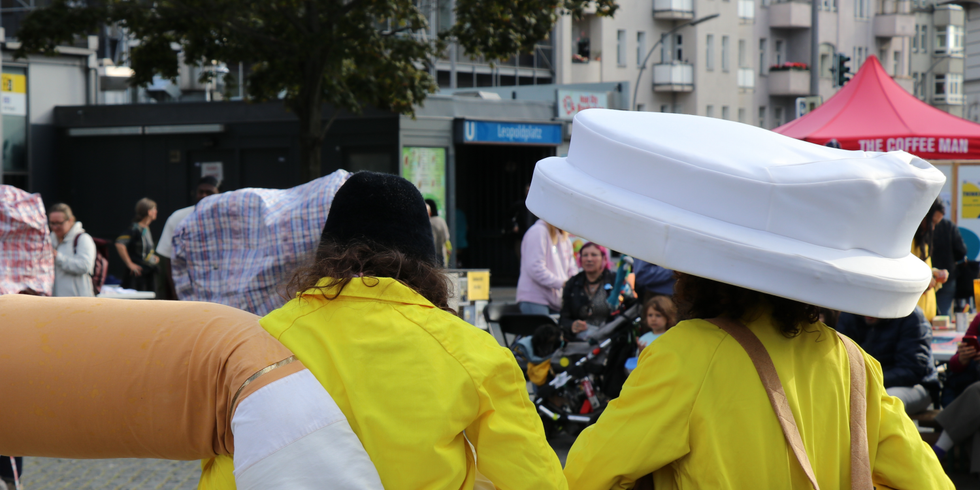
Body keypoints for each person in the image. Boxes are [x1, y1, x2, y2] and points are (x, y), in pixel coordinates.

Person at [527, 110, 951, 488]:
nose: (675, 278)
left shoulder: (687, 356)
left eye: (683, 265)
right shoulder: (854, 363)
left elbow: (586, 474)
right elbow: (928, 480)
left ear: (704, 276)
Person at [201, 171, 567, 489]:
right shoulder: (472, 352)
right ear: (426, 263)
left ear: (326, 252)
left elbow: (232, 466)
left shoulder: (264, 338)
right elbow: (534, 478)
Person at [836, 310, 940, 415]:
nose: (869, 311)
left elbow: (912, 371)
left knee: (884, 404)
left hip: (915, 385)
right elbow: (840, 359)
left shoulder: (910, 315)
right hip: (865, 383)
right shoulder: (850, 314)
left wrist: (867, 381)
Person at [156, 177, 220, 299]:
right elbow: (169, 257)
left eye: (209, 193)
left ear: (219, 195)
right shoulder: (178, 218)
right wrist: (175, 291)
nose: (204, 196)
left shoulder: (229, 220)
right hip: (188, 292)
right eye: (201, 192)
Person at [516, 219, 577, 315]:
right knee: (543, 329)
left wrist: (574, 281)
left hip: (557, 300)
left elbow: (571, 267)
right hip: (535, 298)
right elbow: (535, 268)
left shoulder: (564, 237)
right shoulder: (538, 231)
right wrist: (563, 283)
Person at [47, 203, 96, 297]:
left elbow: (85, 266)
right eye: (52, 223)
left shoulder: (83, 239)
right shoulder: (50, 239)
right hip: (55, 303)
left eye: (59, 223)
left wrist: (57, 257)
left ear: (70, 220)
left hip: (79, 303)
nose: (54, 227)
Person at [913, 199, 949, 322]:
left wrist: (934, 274)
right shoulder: (908, 242)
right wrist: (926, 281)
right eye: (931, 222)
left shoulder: (923, 242)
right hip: (914, 320)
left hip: (926, 318)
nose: (932, 228)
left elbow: (922, 270)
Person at [931, 200, 967, 316]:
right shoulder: (949, 226)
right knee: (943, 316)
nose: (933, 227)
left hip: (927, 277)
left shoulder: (921, 229)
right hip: (947, 276)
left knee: (924, 315)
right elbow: (961, 251)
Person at [115, 198, 158, 293]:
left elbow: (143, 251)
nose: (156, 212)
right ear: (149, 212)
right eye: (154, 209)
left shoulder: (146, 228)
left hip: (148, 275)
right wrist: (130, 264)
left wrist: (151, 257)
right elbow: (119, 244)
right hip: (137, 277)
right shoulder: (135, 229)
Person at [425, 198, 451, 267]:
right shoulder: (440, 221)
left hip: (427, 257)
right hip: (440, 254)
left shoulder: (424, 222)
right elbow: (446, 237)